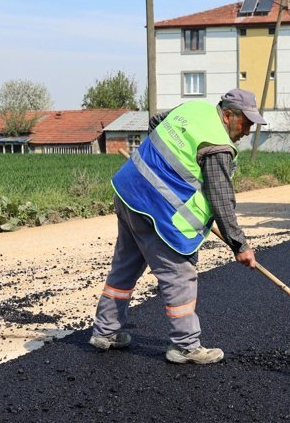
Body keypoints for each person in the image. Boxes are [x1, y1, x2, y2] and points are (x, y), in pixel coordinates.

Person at [88, 88, 267, 364]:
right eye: (246, 123)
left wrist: (161, 169)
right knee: (180, 275)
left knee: (125, 266)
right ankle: (185, 346)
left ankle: (105, 331)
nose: (247, 131)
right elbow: (220, 199)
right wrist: (239, 245)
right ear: (228, 115)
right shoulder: (217, 145)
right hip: (157, 212)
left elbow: (156, 122)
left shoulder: (194, 109)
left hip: (129, 192)